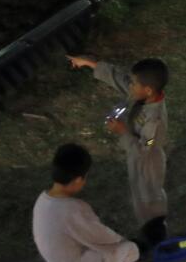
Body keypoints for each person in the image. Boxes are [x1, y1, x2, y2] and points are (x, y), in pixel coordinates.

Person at [67, 54, 170, 248]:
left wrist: (123, 132)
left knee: (149, 197)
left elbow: (145, 149)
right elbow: (119, 78)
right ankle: (148, 230)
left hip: (148, 161)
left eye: (134, 84)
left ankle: (156, 236)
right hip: (137, 156)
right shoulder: (143, 94)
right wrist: (89, 63)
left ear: (148, 90)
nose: (130, 86)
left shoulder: (154, 120)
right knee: (139, 197)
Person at [32, 143, 140, 262]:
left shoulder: (44, 199)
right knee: (131, 250)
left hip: (55, 258)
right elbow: (99, 235)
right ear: (78, 180)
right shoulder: (71, 209)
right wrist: (122, 241)